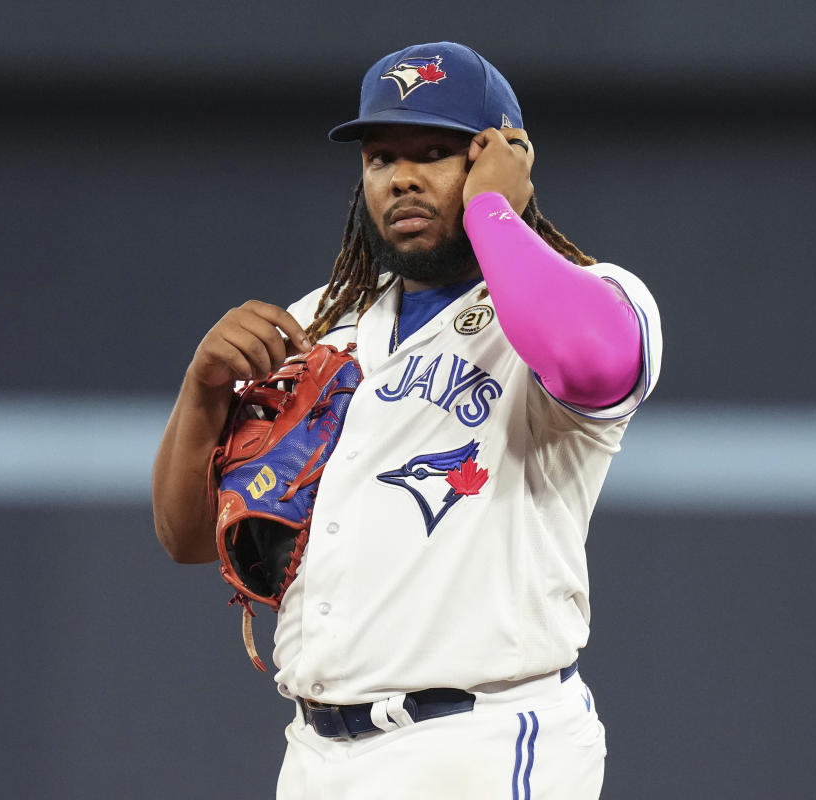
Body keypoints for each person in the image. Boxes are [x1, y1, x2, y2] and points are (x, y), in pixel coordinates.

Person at [152, 41, 662, 799]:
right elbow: (190, 539)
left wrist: (494, 210)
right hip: (318, 752)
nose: (403, 178)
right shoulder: (318, 327)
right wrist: (201, 395)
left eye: (436, 151)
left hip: (481, 742)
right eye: (382, 158)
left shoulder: (588, 295)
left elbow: (591, 361)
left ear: (502, 157)